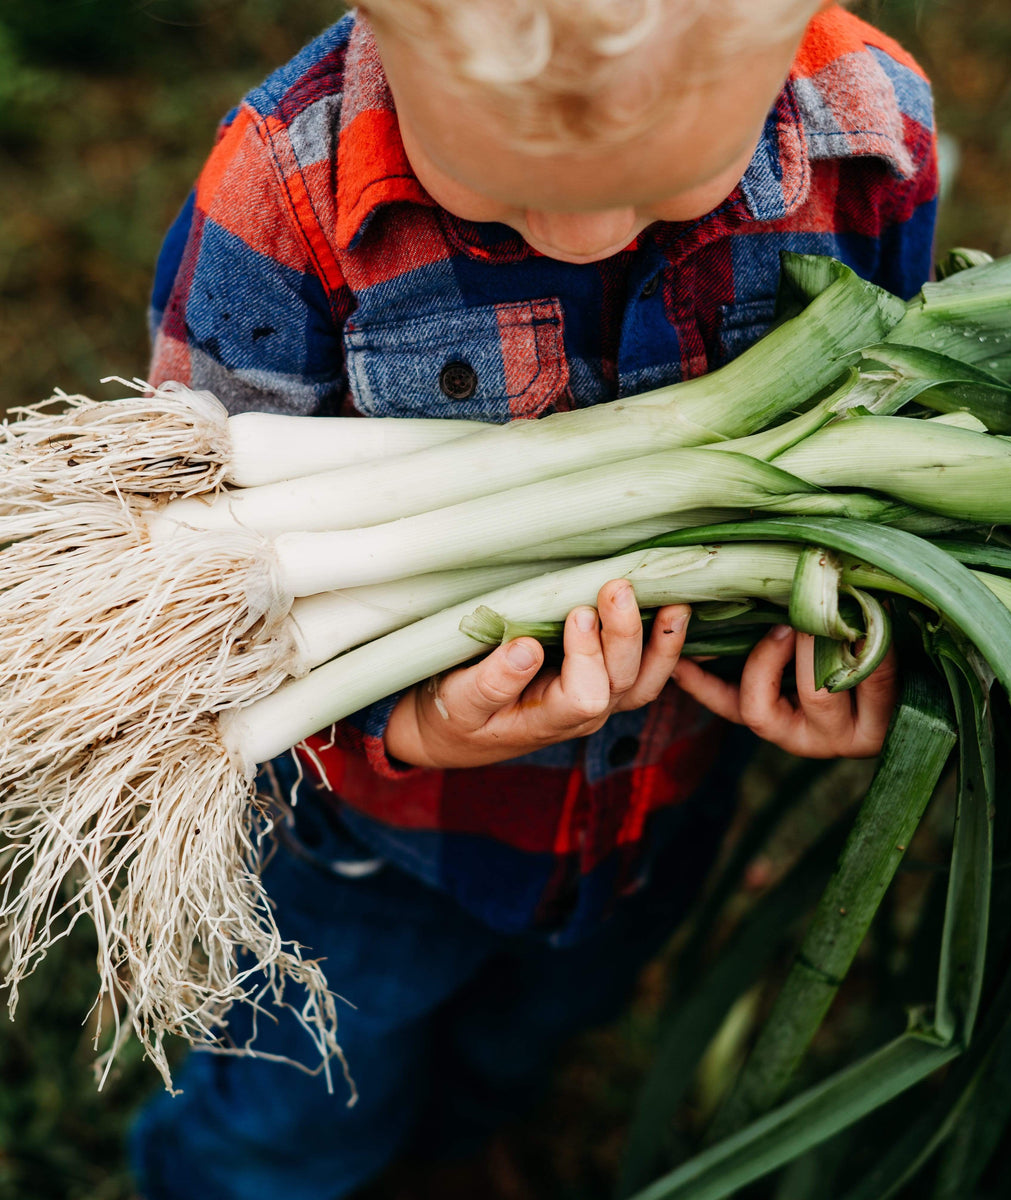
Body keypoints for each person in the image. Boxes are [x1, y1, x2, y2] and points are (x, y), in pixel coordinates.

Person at [130, 1, 935, 1196]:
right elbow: (201, 574)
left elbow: (893, 441)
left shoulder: (870, 136)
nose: (586, 232)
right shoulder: (283, 190)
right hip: (363, 845)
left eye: (665, 188)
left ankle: (455, 1147)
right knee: (288, 1116)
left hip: (661, 801)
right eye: (500, 190)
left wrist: (856, 647)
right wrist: (413, 728)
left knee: (530, 1034)